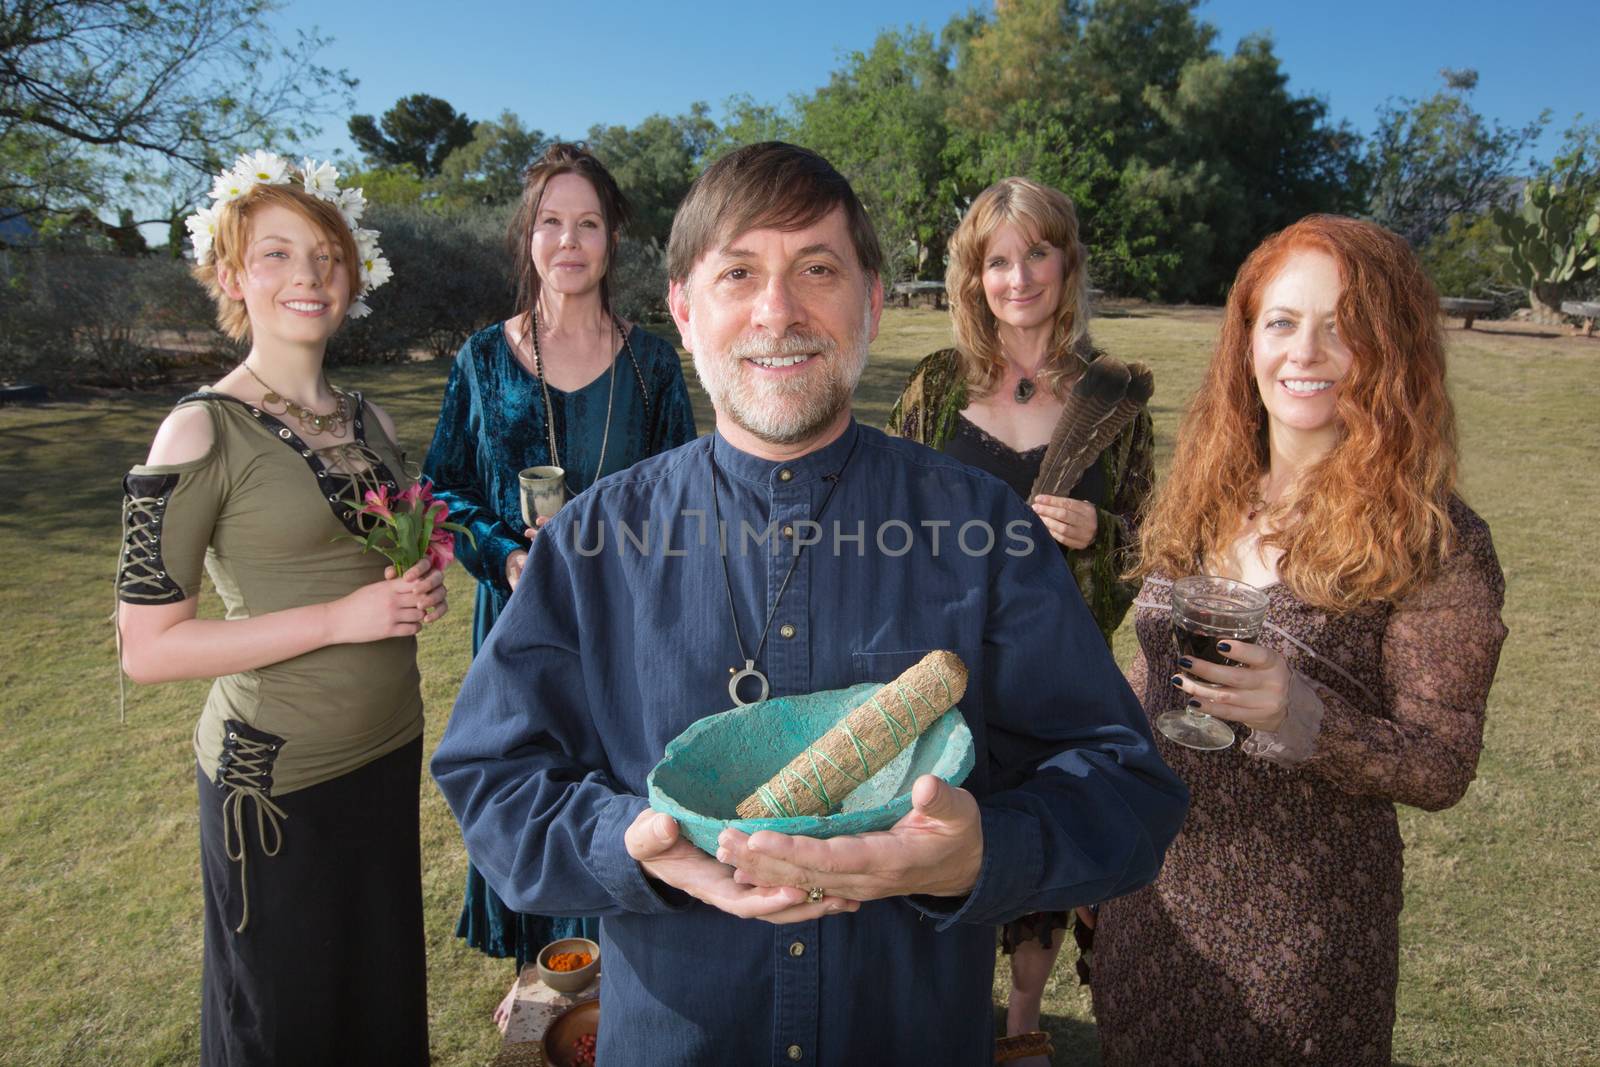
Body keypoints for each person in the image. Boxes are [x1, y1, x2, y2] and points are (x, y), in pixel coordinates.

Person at [430, 141, 1188, 1065]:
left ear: (870, 300)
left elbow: (1125, 787)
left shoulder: (983, 531)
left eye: (816, 269)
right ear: (682, 308)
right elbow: (492, 776)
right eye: (738, 272)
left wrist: (981, 852)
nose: (777, 311)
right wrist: (628, 844)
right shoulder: (594, 541)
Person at [1090, 215, 1507, 1066]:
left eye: (1342, 327)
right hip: (1152, 907)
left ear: (1390, 351)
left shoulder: (1435, 543)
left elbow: (1441, 763)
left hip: (1301, 944)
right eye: (1282, 322)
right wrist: (1105, 822)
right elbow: (1149, 677)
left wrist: (1302, 714)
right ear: (1248, 342)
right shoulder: (1203, 498)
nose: (1305, 352)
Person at [115, 154, 446, 1065]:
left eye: (328, 255)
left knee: (378, 1007)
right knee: (287, 1024)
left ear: (355, 276)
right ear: (231, 276)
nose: (308, 276)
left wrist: (416, 583)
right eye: (275, 255)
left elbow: (379, 553)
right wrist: (342, 619)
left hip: (385, 755)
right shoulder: (199, 428)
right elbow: (147, 647)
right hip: (273, 783)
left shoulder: (371, 420)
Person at [421, 141, 696, 1014]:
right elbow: (441, 489)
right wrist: (504, 549)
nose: (568, 241)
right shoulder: (482, 361)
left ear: (614, 239)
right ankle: (539, 982)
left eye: (588, 223)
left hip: (624, 625)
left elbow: (689, 494)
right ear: (526, 237)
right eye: (550, 222)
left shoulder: (651, 366)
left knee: (615, 784)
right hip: (515, 620)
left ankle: (614, 972)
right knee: (526, 780)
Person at [885, 178, 1153, 1045]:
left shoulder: (1113, 396)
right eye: (998, 260)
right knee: (942, 834)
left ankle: (1026, 1020)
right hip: (948, 668)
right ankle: (948, 1005)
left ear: (1066, 263)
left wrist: (1097, 531)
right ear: (974, 277)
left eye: (1036, 253)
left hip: (1058, 666)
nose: (1019, 276)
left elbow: (1155, 541)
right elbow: (884, 524)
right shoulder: (932, 387)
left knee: (1041, 835)